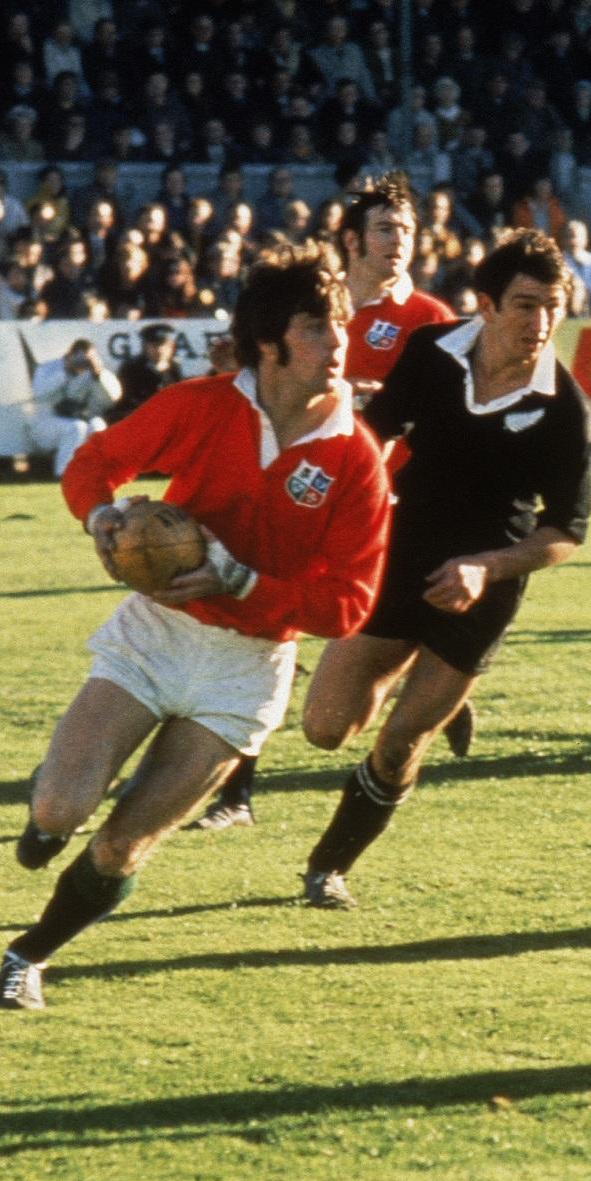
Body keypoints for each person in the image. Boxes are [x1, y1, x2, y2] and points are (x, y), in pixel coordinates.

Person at [0, 244, 391, 1009]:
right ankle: (45, 826)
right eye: (317, 327)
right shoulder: (202, 405)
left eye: (341, 325)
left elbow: (350, 604)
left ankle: (27, 955)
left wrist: (246, 580)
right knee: (59, 809)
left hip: (248, 668)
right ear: (269, 344)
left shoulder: (355, 456)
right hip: (157, 634)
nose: (340, 343)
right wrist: (104, 517)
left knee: (119, 844)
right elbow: (93, 463)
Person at [296, 230, 591, 909]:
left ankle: (329, 866)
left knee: (401, 742)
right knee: (325, 727)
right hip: (401, 556)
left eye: (553, 306)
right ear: (485, 305)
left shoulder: (563, 404)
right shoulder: (431, 353)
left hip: (482, 587)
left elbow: (567, 530)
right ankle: (434, 681)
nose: (540, 323)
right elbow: (374, 435)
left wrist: (488, 567)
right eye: (524, 305)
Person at [194, 173, 457, 832]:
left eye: (407, 230)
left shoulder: (431, 319)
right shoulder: (318, 311)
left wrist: (385, 405)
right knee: (265, 620)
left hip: (391, 505)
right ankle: (235, 794)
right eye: (385, 229)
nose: (399, 242)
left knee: (342, 641)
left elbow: (451, 414)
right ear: (351, 239)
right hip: (307, 487)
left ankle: (422, 667)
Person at [27, 338, 121, 476]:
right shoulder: (48, 369)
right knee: (76, 427)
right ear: (68, 355)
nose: (82, 363)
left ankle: (96, 473)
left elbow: (113, 399)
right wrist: (66, 372)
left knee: (98, 425)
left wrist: (97, 376)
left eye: (86, 359)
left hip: (81, 420)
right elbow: (38, 394)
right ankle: (65, 474)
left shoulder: (97, 371)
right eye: (78, 357)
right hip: (46, 424)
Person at [112, 323, 186, 420]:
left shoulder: (174, 368)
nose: (159, 350)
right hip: (139, 418)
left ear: (170, 346)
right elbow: (127, 400)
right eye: (155, 346)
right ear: (146, 347)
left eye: (163, 345)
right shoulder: (131, 368)